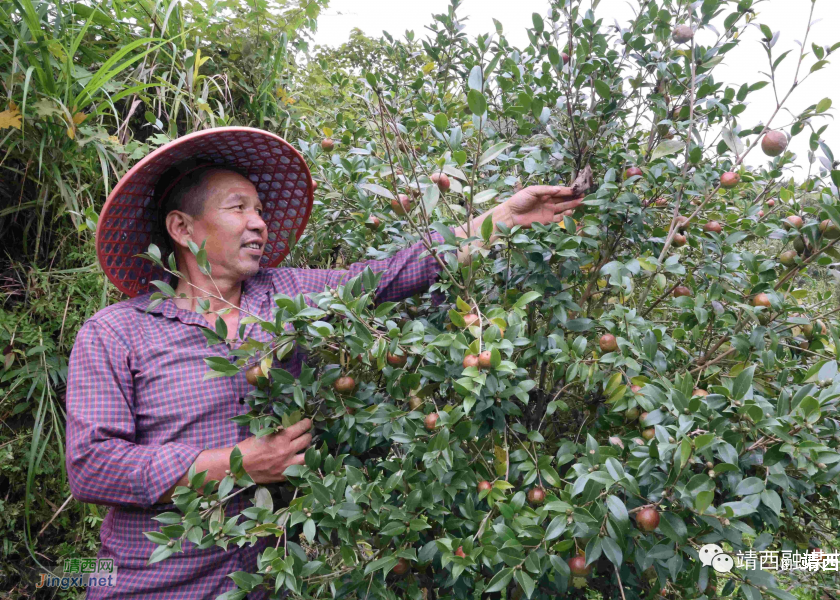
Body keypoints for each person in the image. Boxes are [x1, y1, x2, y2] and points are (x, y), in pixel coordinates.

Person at [65, 127, 583, 599]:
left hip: (264, 582)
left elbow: (388, 276)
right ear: (182, 227)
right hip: (149, 585)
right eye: (238, 207)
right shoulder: (116, 332)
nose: (258, 223)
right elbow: (92, 466)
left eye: (261, 210)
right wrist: (237, 463)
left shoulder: (287, 295)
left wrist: (504, 218)